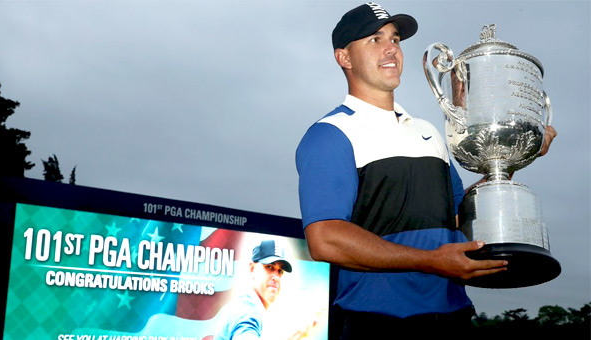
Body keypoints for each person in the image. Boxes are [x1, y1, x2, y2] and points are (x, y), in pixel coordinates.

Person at [294, 3, 556, 338]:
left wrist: (512, 157)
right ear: (344, 58)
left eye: (395, 39)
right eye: (374, 40)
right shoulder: (329, 134)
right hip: (379, 324)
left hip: (453, 318)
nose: (391, 48)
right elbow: (325, 240)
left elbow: (462, 219)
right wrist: (430, 260)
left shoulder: (428, 132)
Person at [212, 240, 318, 340]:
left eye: (280, 271)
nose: (276, 277)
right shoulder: (247, 310)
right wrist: (294, 335)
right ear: (252, 269)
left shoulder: (248, 305)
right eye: (269, 267)